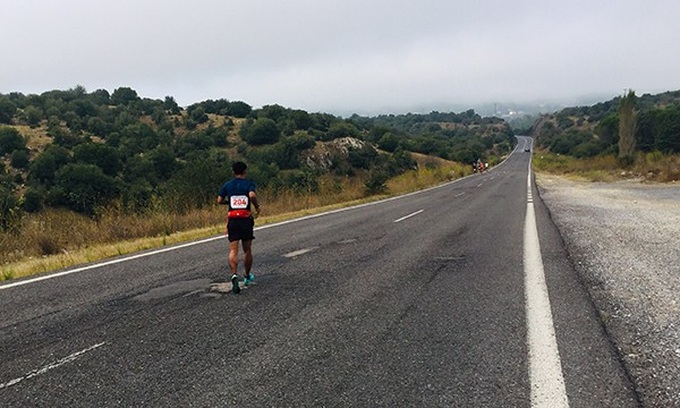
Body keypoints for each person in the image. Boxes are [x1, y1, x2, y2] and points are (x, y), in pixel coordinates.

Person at [217, 161, 260, 294]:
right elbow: (252, 195)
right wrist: (256, 206)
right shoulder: (249, 184)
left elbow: (219, 200)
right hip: (245, 219)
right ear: (245, 172)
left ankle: (234, 275)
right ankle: (247, 276)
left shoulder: (228, 185)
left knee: (233, 250)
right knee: (247, 250)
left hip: (233, 220)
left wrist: (228, 202)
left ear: (233, 172)